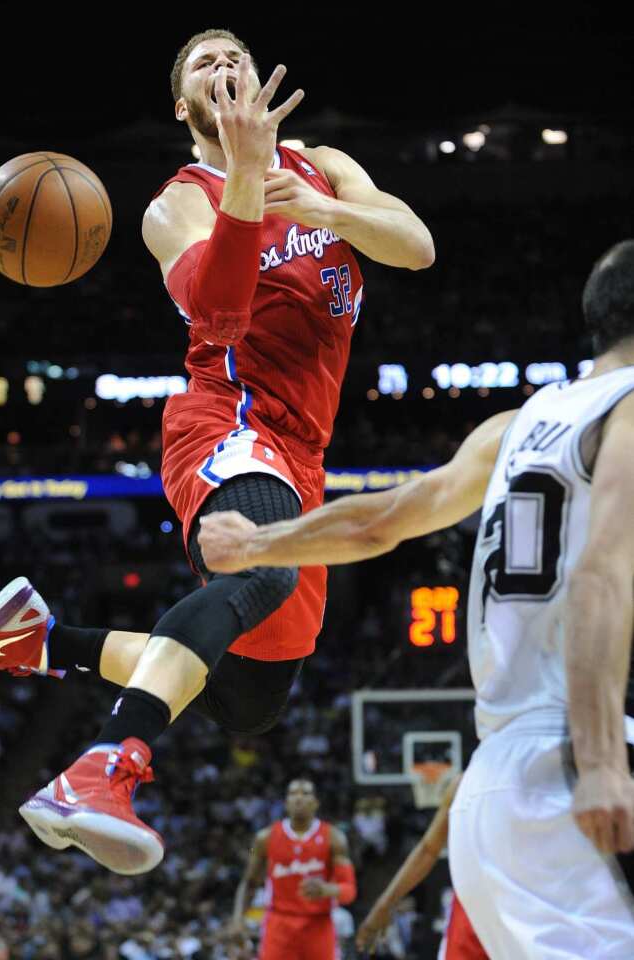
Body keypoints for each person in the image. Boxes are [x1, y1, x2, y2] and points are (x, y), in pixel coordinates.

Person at [0, 28, 433, 876]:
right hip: (226, 423)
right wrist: (241, 181)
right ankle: (102, 769)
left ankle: (41, 640)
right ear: (182, 105)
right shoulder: (179, 202)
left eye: (235, 53)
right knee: (260, 572)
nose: (224, 65)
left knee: (249, 700)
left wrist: (322, 210)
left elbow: (413, 245)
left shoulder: (323, 164)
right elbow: (218, 314)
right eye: (204, 62)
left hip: (303, 453)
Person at [199, 242, 634, 955]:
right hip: (572, 764)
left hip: (494, 787)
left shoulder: (516, 424)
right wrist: (601, 762)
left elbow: (383, 519)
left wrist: (257, 543)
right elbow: (598, 577)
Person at [355, 775, 487, 959]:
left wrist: (385, 904)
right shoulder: (465, 784)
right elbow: (428, 850)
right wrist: (384, 905)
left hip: (519, 909)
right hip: (473, 913)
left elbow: (428, 850)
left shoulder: (538, 775)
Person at [230, 779, 356, 960]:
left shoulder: (334, 837)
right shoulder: (265, 838)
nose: (299, 798)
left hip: (318, 924)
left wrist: (328, 889)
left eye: (305, 793)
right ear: (286, 802)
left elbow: (349, 891)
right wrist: (237, 919)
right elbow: (249, 882)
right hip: (279, 924)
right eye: (293, 793)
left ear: (316, 802)